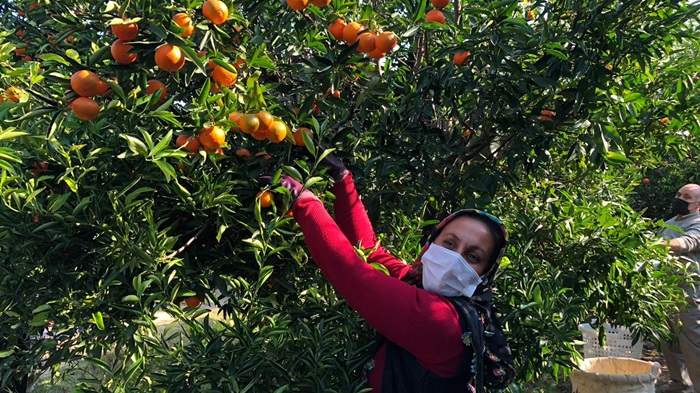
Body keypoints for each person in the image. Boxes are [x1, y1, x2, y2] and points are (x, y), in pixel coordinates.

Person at [265, 153, 515, 392]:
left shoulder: (444, 322)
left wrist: (304, 202)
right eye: (449, 244)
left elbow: (354, 276)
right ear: (431, 244)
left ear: (484, 274)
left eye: (473, 256)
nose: (454, 258)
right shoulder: (416, 281)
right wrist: (342, 180)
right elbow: (372, 252)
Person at [659, 184, 700, 393]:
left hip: (689, 293)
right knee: (669, 342)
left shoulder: (699, 223)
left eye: (687, 197)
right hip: (665, 291)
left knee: (693, 345)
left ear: (699, 204)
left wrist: (659, 244)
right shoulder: (668, 223)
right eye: (678, 194)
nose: (681, 199)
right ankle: (680, 385)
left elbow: (688, 242)